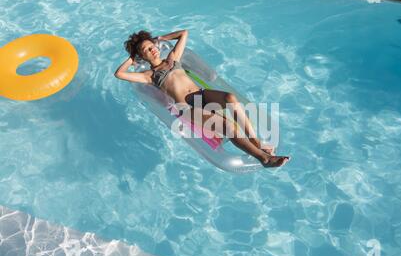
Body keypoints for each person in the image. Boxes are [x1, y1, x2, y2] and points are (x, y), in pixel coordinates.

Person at [114, 30, 290, 167]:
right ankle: (263, 158)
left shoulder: (172, 59)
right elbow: (119, 74)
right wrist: (132, 58)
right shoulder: (149, 75)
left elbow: (184, 33)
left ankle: (257, 142)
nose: (151, 49)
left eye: (151, 46)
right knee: (228, 126)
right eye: (146, 50)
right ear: (142, 56)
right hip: (187, 107)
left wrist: (160, 38)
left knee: (230, 97)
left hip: (202, 94)